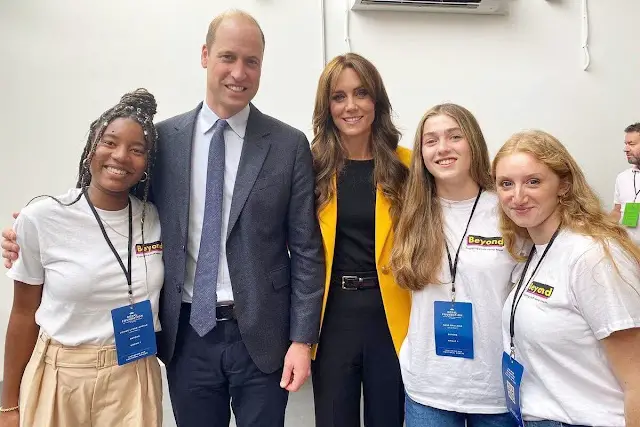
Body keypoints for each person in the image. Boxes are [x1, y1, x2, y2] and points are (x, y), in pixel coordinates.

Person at [2, 9, 325, 427]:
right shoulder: (163, 141)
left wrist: (302, 339)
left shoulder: (288, 144)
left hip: (264, 336)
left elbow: (306, 250)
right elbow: (112, 195)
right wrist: (35, 228)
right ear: (205, 55)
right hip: (186, 335)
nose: (239, 72)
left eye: (252, 61)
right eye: (228, 57)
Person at [0, 89, 164, 427]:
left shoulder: (155, 218)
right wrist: (7, 406)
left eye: (137, 150)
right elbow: (22, 314)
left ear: (147, 164)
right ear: (91, 148)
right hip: (61, 378)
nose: (121, 156)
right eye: (110, 142)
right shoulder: (42, 217)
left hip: (133, 377)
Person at [493, 129, 640, 426]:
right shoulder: (537, 249)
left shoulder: (592, 256)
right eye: (506, 183)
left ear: (563, 184)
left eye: (533, 181)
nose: (517, 196)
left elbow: (636, 381)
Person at [390, 103, 518, 427]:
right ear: (421, 153)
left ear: (472, 142)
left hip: (494, 391)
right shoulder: (410, 212)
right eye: (431, 140)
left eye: (454, 136)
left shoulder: (508, 211)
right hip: (428, 388)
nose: (443, 148)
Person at [309, 52, 411, 427]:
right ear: (327, 106)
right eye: (339, 96)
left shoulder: (409, 167)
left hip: (393, 316)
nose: (351, 106)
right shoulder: (310, 167)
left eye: (361, 93)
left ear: (376, 101)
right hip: (331, 317)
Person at [611, 122, 640, 246]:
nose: (626, 149)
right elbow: (617, 211)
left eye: (631, 144)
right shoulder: (622, 177)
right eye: (626, 144)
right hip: (628, 252)